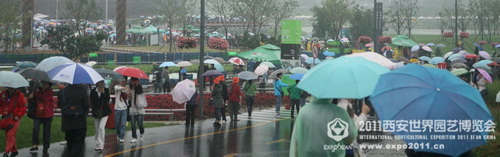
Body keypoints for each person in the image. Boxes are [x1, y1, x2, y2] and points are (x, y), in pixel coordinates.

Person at [289, 96, 357, 157]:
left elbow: (296, 139)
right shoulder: (339, 112)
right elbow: (350, 137)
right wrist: (350, 119)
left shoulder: (304, 111)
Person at [58, 84, 90, 157]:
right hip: (79, 122)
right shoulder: (83, 91)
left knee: (70, 144)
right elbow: (86, 105)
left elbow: (60, 104)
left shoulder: (62, 91)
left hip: (67, 122)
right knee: (78, 145)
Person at [29, 81, 54, 154]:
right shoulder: (37, 90)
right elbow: (31, 100)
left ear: (49, 85)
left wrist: (37, 93)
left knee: (46, 131)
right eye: (43, 83)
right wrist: (30, 97)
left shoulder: (50, 92)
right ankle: (35, 143)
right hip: (38, 114)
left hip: (47, 114)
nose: (44, 85)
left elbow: (44, 98)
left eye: (46, 84)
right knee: (35, 128)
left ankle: (46, 147)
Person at [0, 88, 27, 157]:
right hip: (6, 117)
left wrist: (18, 115)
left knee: (10, 135)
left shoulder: (19, 95)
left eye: (12, 88)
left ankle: (7, 152)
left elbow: (23, 107)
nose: (10, 89)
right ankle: (14, 150)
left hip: (15, 118)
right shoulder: (3, 94)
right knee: (8, 135)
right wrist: (1, 99)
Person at [90, 81, 111, 152]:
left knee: (101, 127)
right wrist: (95, 110)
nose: (102, 84)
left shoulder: (106, 90)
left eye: (103, 83)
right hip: (96, 112)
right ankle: (97, 143)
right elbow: (92, 102)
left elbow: (107, 100)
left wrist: (103, 93)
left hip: (105, 112)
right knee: (97, 128)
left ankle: (101, 144)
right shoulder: (93, 91)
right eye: (101, 83)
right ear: (97, 83)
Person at [129, 78, 145, 143]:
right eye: (132, 81)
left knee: (139, 123)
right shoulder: (130, 88)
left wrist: (136, 85)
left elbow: (140, 94)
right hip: (133, 108)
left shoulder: (139, 87)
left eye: (134, 81)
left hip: (139, 108)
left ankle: (142, 132)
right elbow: (130, 99)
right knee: (133, 124)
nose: (133, 82)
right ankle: (134, 137)